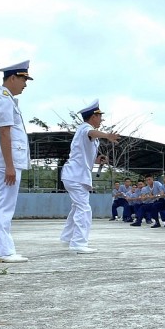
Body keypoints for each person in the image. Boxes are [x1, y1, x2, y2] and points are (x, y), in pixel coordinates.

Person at [0, 60, 32, 263]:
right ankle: (5, 251)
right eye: (23, 79)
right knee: (3, 206)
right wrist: (10, 166)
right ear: (13, 78)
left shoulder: (6, 99)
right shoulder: (3, 99)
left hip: (8, 160)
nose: (25, 84)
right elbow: (4, 133)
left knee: (1, 205)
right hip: (8, 161)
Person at [60, 100, 120, 254]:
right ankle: (78, 243)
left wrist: (97, 160)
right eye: (99, 116)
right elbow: (91, 133)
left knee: (77, 208)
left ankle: (68, 237)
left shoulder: (86, 133)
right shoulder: (86, 128)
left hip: (75, 176)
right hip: (75, 176)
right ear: (93, 116)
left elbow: (82, 155)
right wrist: (107, 135)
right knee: (84, 209)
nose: (101, 119)